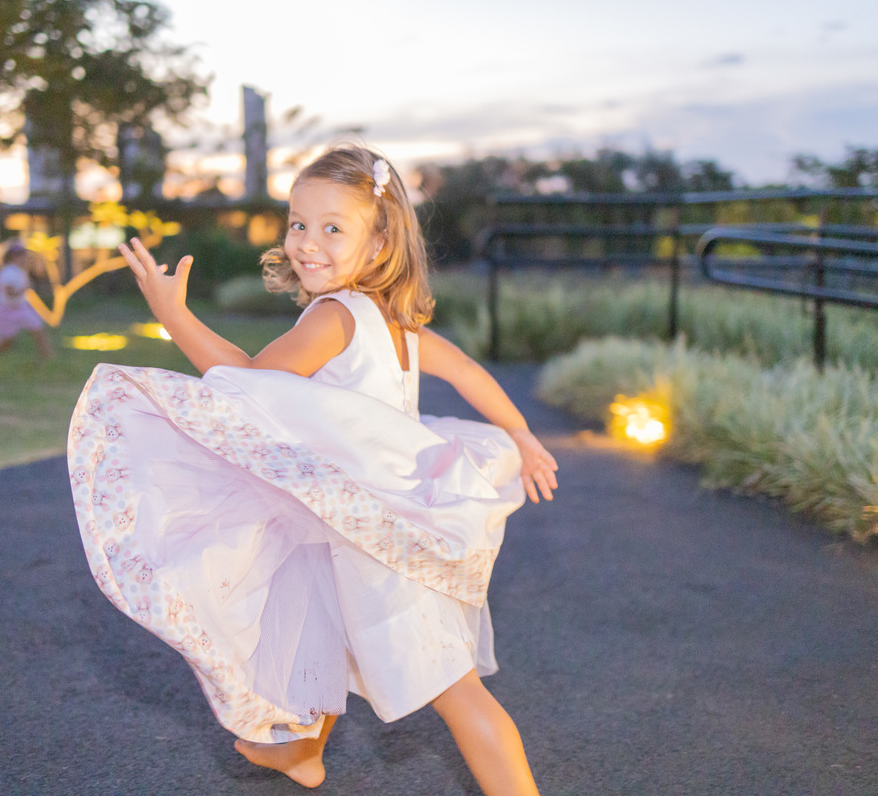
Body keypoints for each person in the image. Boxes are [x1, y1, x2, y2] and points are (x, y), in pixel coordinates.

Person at [66, 146, 558, 795]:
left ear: (380, 243)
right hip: (373, 520)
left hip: (380, 541)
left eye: (333, 228)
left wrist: (173, 315)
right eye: (299, 222)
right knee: (329, 623)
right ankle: (301, 752)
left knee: (457, 694)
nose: (307, 242)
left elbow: (242, 378)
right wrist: (519, 431)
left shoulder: (334, 317)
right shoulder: (395, 323)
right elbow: (467, 370)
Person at [0, 241, 52, 362]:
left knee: (37, 329)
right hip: (7, 310)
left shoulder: (19, 272)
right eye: (22, 256)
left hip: (21, 307)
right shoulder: (8, 273)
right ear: (13, 257)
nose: (25, 259)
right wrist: (24, 288)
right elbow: (9, 293)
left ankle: (46, 357)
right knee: (6, 343)